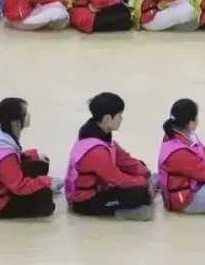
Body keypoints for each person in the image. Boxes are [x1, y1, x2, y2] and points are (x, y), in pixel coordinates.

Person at [65, 92, 154, 221]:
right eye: (119, 115)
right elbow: (117, 179)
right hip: (84, 201)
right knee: (139, 194)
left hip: (100, 186)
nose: (121, 119)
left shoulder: (101, 134)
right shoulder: (96, 150)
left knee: (139, 166)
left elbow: (124, 159)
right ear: (107, 118)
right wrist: (142, 182)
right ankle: (125, 213)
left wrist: (145, 172)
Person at [0, 98, 60, 219]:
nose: (29, 116)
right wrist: (45, 182)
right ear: (15, 122)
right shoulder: (5, 155)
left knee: (41, 164)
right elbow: (18, 186)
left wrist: (32, 155)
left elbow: (15, 158)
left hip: (1, 184)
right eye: (25, 114)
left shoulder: (1, 133)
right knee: (45, 199)